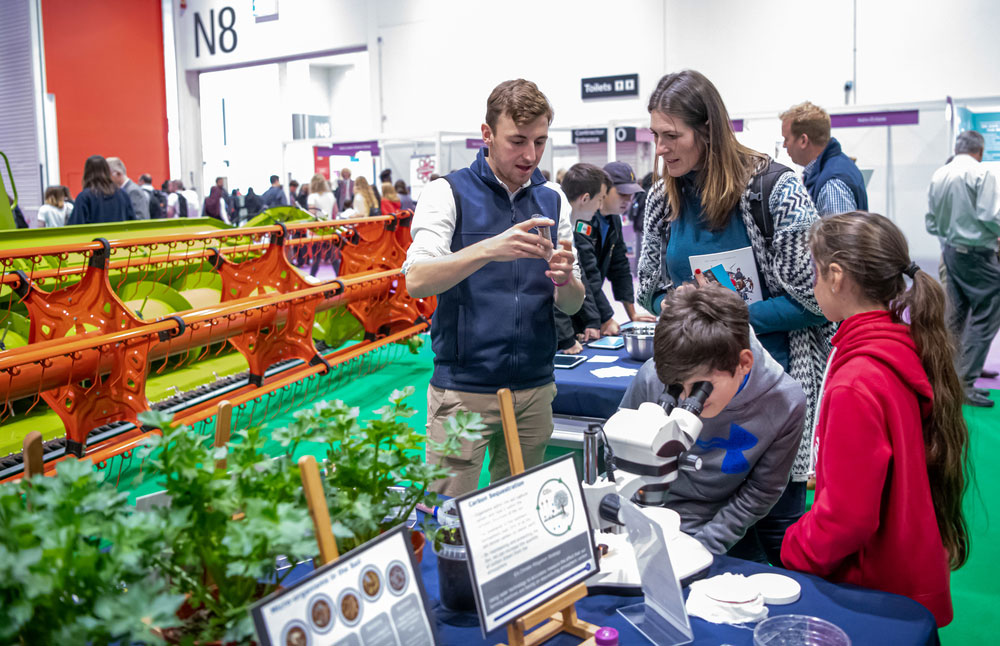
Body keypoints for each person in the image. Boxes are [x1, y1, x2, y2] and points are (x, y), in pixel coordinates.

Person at [638, 70, 833, 565]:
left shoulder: (774, 189)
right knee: (698, 525)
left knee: (776, 536)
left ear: (708, 131)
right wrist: (683, 310)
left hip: (771, 392)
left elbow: (813, 300)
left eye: (672, 135)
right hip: (700, 395)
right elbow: (648, 288)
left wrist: (725, 316)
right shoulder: (665, 196)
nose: (661, 148)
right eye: (655, 135)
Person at [782, 213, 970, 627]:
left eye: (814, 273)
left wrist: (793, 545)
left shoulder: (856, 381)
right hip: (898, 575)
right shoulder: (898, 346)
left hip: (869, 591)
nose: (812, 285)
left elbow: (847, 520)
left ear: (835, 275)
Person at [404, 78, 585, 496]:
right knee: (447, 521)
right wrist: (489, 249)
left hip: (536, 388)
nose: (530, 155)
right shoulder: (447, 193)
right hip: (462, 392)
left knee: (522, 514)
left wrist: (566, 280)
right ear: (486, 134)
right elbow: (417, 280)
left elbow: (573, 305)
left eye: (540, 141)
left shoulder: (553, 198)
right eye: (517, 140)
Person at [622, 286, 806, 556]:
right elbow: (618, 452)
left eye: (700, 388)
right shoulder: (652, 376)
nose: (687, 400)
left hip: (721, 529)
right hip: (645, 516)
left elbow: (761, 491)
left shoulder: (784, 402)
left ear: (743, 363)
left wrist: (704, 546)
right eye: (677, 387)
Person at [926, 130, 1000, 407]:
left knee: (955, 317)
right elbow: (990, 215)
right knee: (989, 312)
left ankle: (949, 378)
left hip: (951, 252)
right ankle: (966, 381)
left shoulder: (939, 174)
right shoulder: (981, 173)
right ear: (979, 150)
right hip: (978, 254)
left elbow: (931, 221)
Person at [582, 161, 657, 336]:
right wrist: (606, 318)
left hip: (592, 305)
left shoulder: (613, 220)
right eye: (623, 193)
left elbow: (620, 267)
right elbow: (587, 274)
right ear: (603, 189)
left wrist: (632, 314)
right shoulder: (583, 219)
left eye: (632, 195)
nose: (628, 200)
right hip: (573, 309)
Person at [554, 163, 610, 354]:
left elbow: (580, 276)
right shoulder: (556, 224)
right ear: (585, 198)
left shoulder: (570, 225)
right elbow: (550, 283)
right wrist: (566, 338)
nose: (600, 207)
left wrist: (592, 320)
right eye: (600, 199)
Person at [780, 101, 868, 215]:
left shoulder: (832, 185)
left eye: (786, 139)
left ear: (803, 140)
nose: (784, 145)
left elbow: (839, 233)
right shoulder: (835, 166)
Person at [68, 155, 136, 225]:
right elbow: (132, 222)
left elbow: (76, 225)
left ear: (86, 173)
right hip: (121, 235)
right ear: (107, 171)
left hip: (94, 235)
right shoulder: (122, 194)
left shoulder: (84, 197)